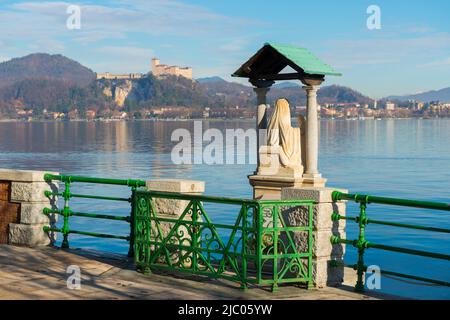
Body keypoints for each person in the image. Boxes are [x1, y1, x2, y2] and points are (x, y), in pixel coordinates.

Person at [267, 98, 302, 169]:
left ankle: (291, 160)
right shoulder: (278, 121)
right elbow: (273, 142)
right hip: (277, 147)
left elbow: (287, 132)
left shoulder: (274, 120)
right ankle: (289, 161)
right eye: (287, 107)